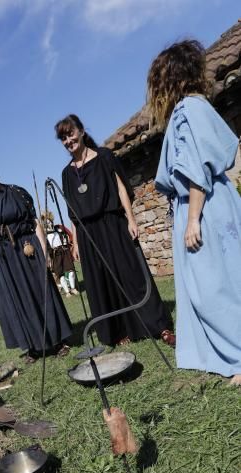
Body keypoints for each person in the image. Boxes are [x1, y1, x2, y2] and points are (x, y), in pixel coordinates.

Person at [148, 40, 241, 385]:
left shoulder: (187, 111)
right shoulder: (197, 107)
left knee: (214, 286)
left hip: (204, 210)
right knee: (228, 278)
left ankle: (239, 357)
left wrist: (191, 220)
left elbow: (195, 167)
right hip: (217, 203)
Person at [55, 114, 175, 347]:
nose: (68, 140)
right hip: (88, 233)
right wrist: (76, 243)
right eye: (63, 138)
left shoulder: (104, 157)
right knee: (102, 281)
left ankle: (157, 325)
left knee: (131, 273)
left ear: (80, 131)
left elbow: (121, 188)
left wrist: (131, 219)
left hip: (113, 223)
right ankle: (118, 332)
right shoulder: (66, 173)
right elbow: (72, 211)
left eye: (70, 133)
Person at [0, 148, 72, 362]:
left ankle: (57, 341)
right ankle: (32, 347)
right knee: (16, 301)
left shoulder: (16, 192)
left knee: (41, 292)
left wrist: (45, 253)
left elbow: (35, 223)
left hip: (27, 250)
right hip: (1, 260)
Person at [47, 224, 79, 298]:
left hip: (64, 252)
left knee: (71, 271)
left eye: (50, 222)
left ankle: (73, 288)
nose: (50, 224)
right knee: (61, 275)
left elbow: (67, 236)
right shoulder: (45, 234)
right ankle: (67, 292)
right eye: (47, 222)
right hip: (55, 256)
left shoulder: (59, 229)